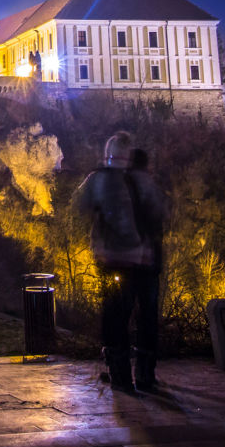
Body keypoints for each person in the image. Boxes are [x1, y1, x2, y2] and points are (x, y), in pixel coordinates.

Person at [74, 131, 166, 393]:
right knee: (147, 319)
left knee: (115, 318)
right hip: (146, 262)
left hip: (113, 261)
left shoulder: (98, 179)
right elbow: (161, 211)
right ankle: (146, 375)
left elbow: (79, 206)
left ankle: (120, 374)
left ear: (107, 155)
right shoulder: (142, 179)